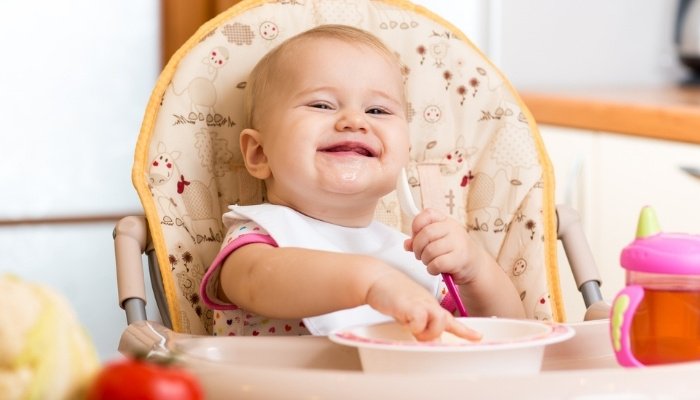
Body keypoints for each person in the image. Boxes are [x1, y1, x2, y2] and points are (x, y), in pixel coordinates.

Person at [200, 24, 525, 341]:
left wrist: (475, 269)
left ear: (404, 154)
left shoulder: (413, 257)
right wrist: (372, 283)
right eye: (321, 105)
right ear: (259, 154)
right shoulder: (258, 237)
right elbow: (258, 281)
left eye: (377, 109)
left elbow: (512, 333)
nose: (355, 121)